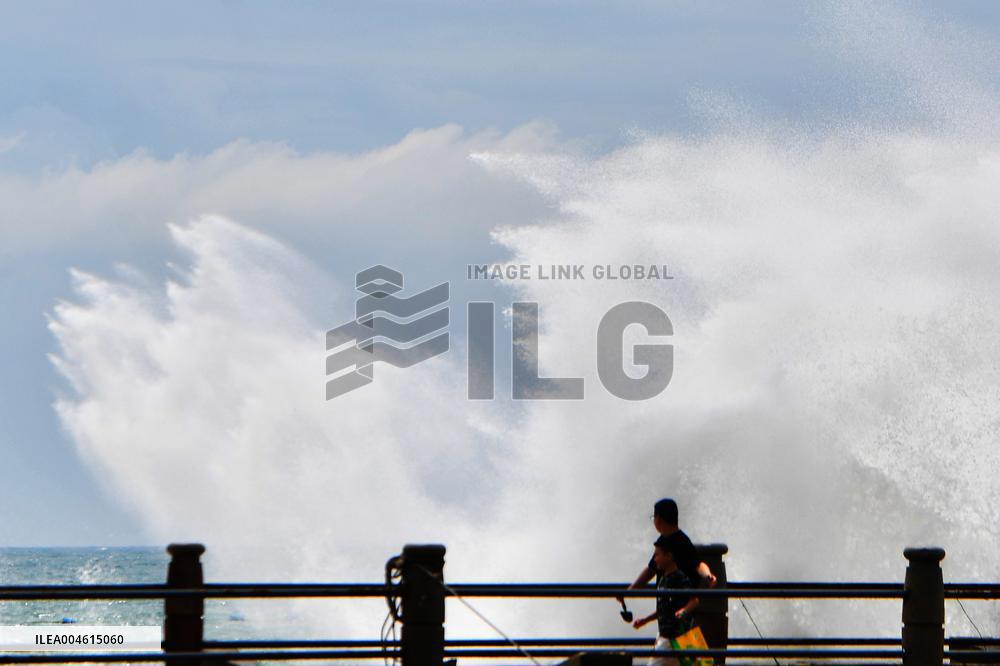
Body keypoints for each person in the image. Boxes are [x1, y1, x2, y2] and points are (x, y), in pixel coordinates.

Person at [632, 535, 701, 666]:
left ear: (669, 556)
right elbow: (663, 608)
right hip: (666, 635)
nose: (655, 559)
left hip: (674, 637)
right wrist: (645, 620)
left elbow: (694, 600)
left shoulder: (679, 578)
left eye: (657, 555)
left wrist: (683, 611)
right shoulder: (663, 579)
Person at [626, 498, 717, 595]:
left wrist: (708, 576)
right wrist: (631, 590)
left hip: (680, 600)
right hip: (668, 598)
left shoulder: (681, 541)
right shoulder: (664, 540)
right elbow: (651, 569)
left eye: (654, 517)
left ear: (659, 519)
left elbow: (698, 564)